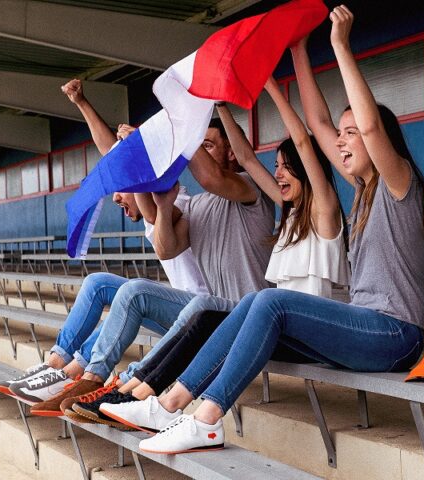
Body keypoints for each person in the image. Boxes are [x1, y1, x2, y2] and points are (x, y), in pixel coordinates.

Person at [126, 5, 424, 454]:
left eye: (353, 135)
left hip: (394, 335)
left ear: (376, 141)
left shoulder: (398, 182)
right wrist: (297, 52)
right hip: (366, 329)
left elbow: (366, 124)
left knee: (268, 302)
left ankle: (207, 419)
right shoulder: (363, 188)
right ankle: (170, 402)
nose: (344, 140)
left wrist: (340, 47)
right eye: (343, 135)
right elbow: (318, 125)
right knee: (252, 303)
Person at [94, 75, 351, 431]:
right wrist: (217, 106)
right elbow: (166, 244)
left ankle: (145, 394)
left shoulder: (306, 207)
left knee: (206, 308)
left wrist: (177, 130)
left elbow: (296, 147)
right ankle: (137, 394)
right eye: (274, 166)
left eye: (285, 167)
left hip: (293, 325)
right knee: (201, 312)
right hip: (268, 323)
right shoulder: (286, 214)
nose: (276, 174)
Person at [6, 83, 276, 417]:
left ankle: (123, 384)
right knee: (127, 291)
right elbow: (167, 248)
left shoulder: (250, 190)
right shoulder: (196, 207)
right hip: (207, 315)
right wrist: (162, 205)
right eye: (198, 143)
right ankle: (89, 378)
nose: (199, 150)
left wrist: (165, 139)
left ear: (231, 151)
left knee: (165, 298)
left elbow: (211, 177)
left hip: (244, 314)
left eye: (207, 144)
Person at [0, 79, 208, 400]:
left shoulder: (173, 203)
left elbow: (137, 171)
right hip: (174, 310)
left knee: (132, 295)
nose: (115, 199)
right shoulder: (149, 205)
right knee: (97, 283)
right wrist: (81, 102)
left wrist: (141, 150)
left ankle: (75, 375)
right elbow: (111, 154)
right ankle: (56, 366)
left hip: (201, 317)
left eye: (120, 190)